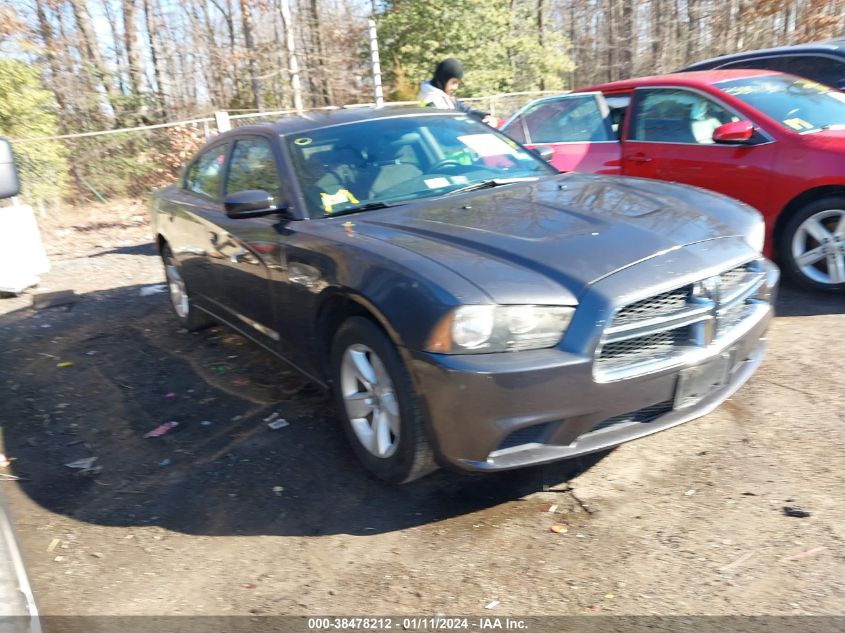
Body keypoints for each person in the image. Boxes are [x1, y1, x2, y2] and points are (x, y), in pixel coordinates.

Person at [418, 58, 497, 127]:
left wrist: (484, 116)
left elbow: (466, 110)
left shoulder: (443, 95)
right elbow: (445, 127)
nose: (456, 87)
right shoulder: (430, 101)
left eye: (458, 83)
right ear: (443, 80)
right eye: (453, 82)